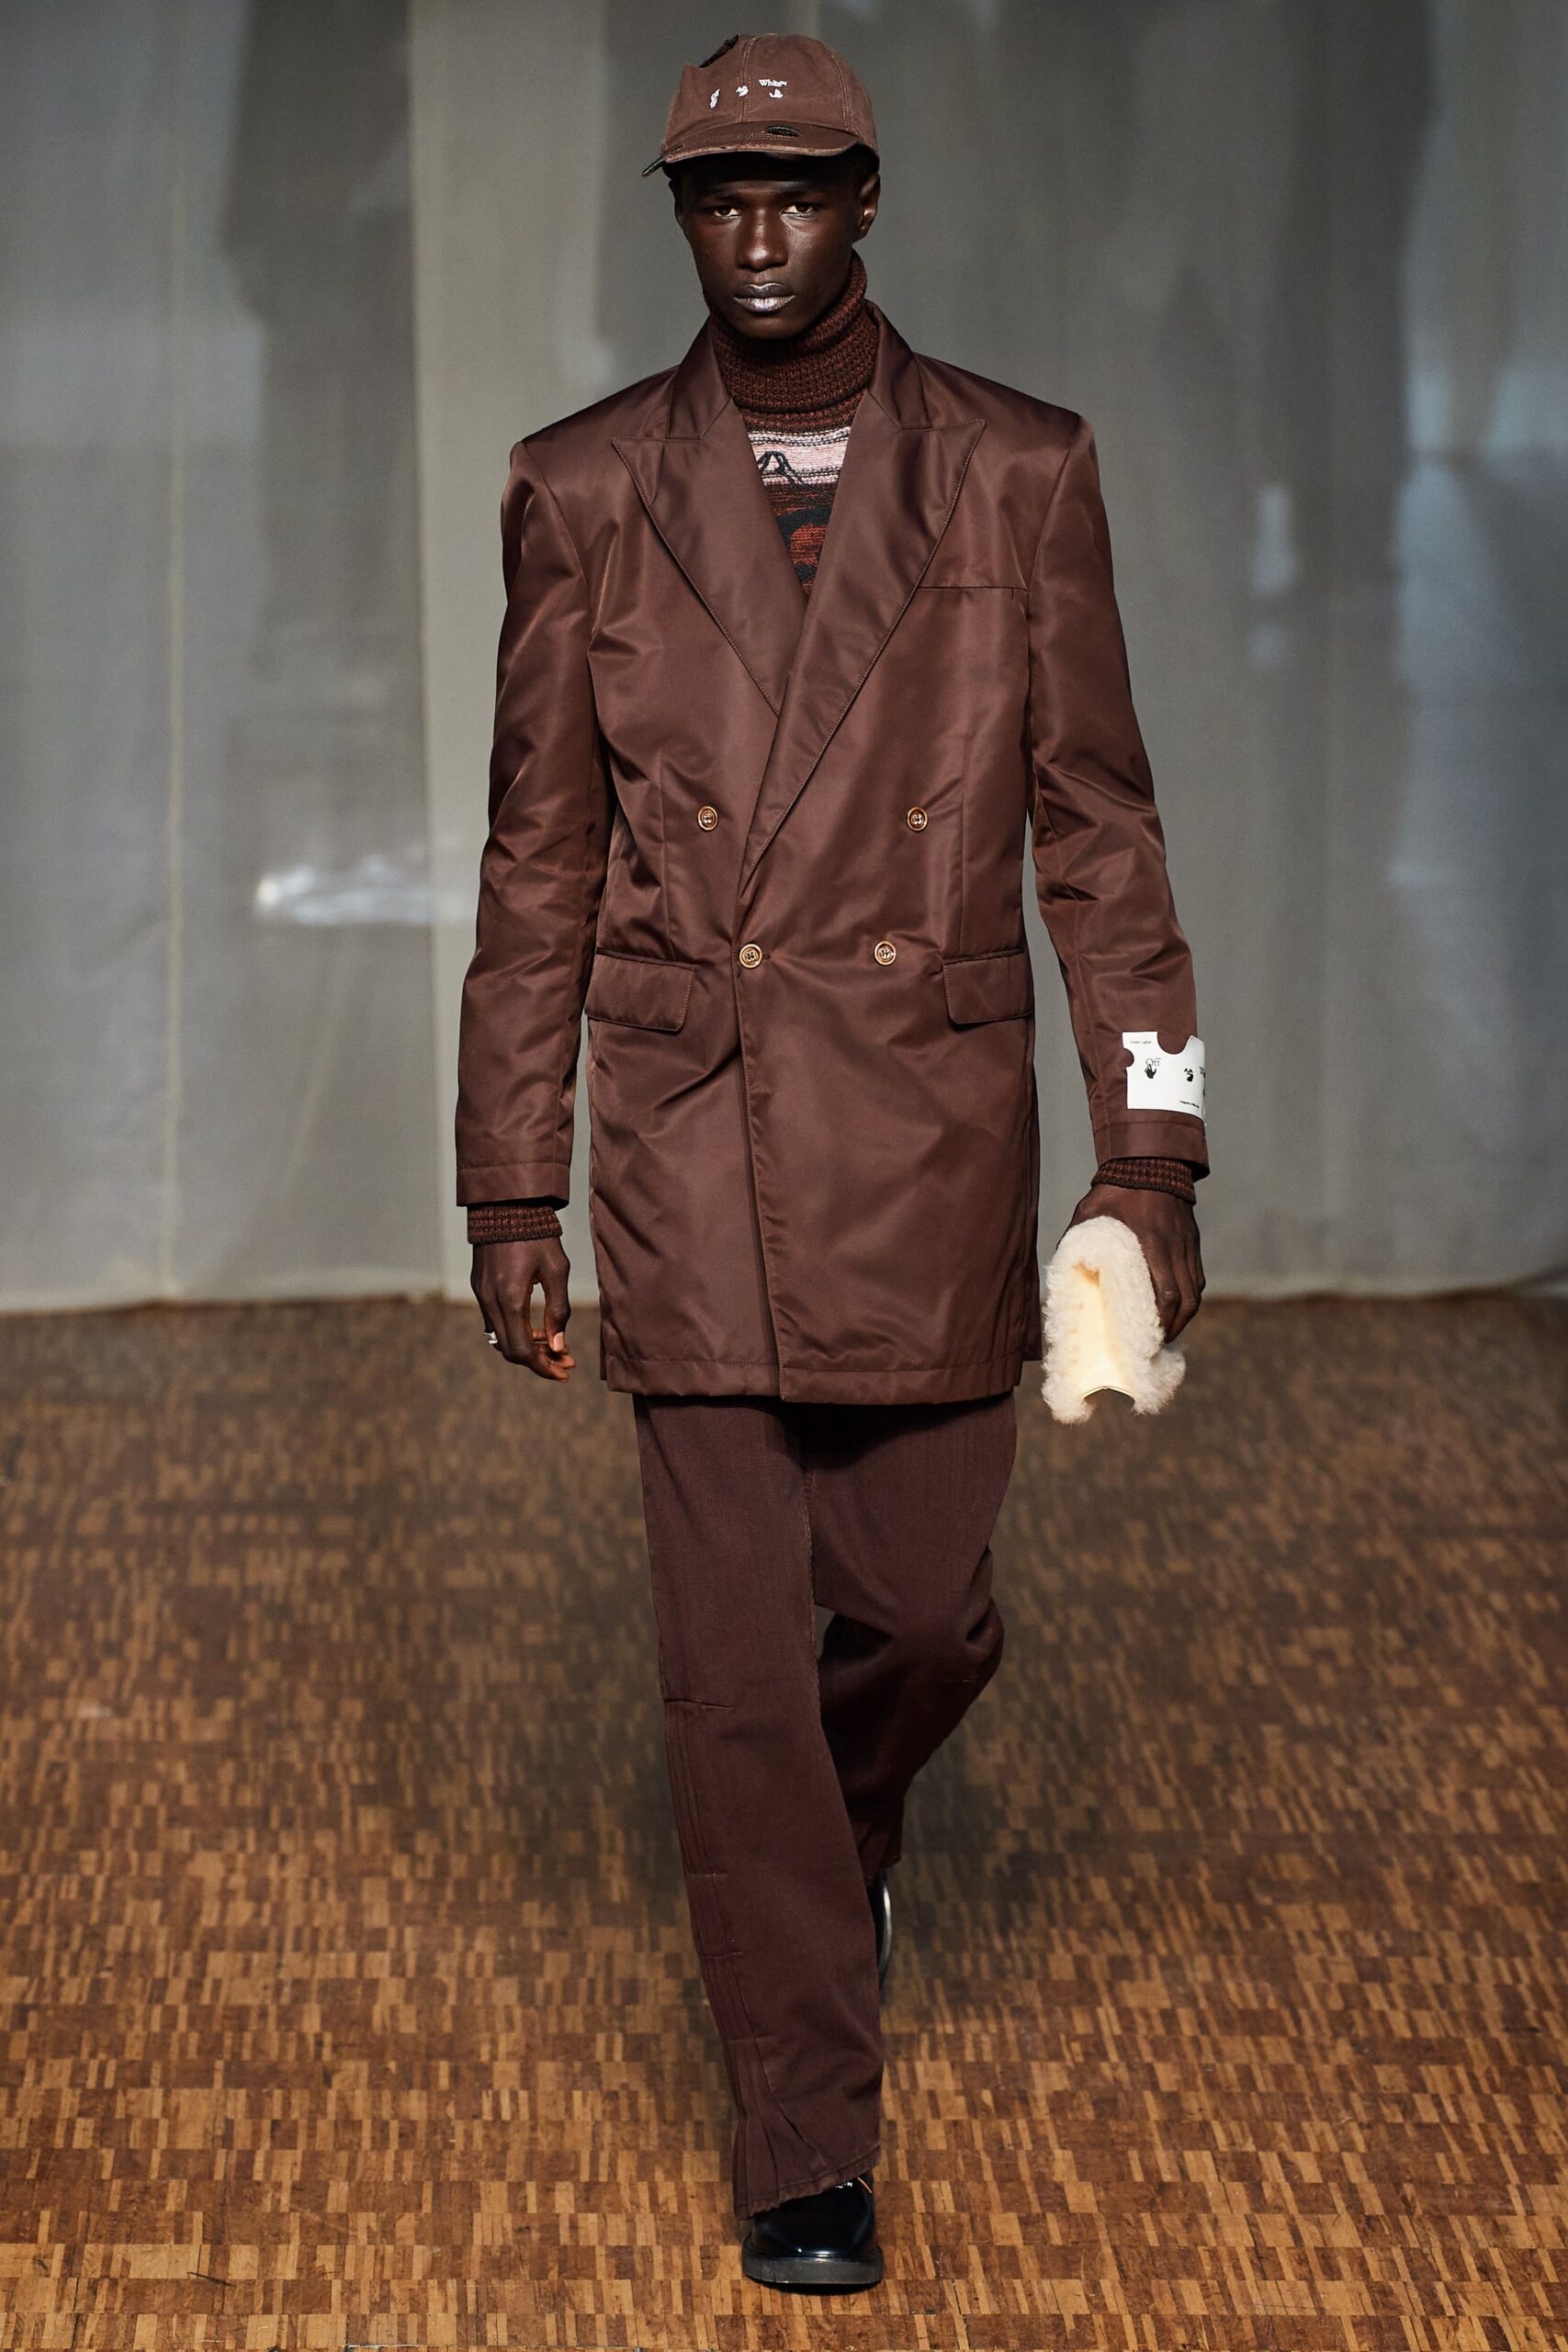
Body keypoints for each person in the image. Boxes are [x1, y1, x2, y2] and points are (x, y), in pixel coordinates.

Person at [455, 32, 1207, 2296]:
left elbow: (1099, 832)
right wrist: (511, 1184)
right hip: (692, 1135)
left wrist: (1152, 1154)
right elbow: (535, 862)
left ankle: (833, 1836)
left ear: (869, 198)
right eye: (719, 194)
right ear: (679, 216)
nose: (758, 230)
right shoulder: (583, 486)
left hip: (931, 1133)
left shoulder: (1018, 470)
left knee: (919, 1613)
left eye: (797, 188)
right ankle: (805, 2132)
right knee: (729, 1678)